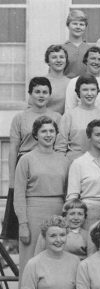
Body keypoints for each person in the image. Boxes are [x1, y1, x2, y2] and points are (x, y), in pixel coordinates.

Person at [5, 77, 62, 241]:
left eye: (45, 92)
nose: (41, 95)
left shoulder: (57, 117)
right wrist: (12, 182)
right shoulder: (20, 118)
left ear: (50, 95)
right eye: (37, 92)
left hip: (49, 163)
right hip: (25, 163)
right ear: (30, 94)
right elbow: (13, 149)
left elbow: (59, 146)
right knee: (23, 226)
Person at [14, 116, 70, 273]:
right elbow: (18, 194)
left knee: (56, 257)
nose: (48, 134)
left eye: (52, 131)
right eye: (44, 131)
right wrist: (23, 224)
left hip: (58, 212)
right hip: (33, 214)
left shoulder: (64, 160)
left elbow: (68, 192)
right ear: (36, 135)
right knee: (31, 259)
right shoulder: (26, 159)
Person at [66, 119, 100, 229]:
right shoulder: (79, 163)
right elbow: (72, 197)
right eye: (98, 135)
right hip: (88, 214)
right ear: (89, 137)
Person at [56, 74, 100, 161]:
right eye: (85, 90)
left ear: (97, 92)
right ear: (78, 92)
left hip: (98, 165)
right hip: (73, 163)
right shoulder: (69, 116)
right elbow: (60, 148)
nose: (89, 94)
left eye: (93, 90)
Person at [64, 46, 100, 113]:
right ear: (86, 60)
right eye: (93, 58)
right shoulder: (74, 82)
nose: (96, 62)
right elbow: (69, 109)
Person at [63, 9, 91, 79]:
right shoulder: (61, 49)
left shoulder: (90, 49)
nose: (78, 27)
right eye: (74, 24)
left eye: (81, 24)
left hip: (86, 86)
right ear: (68, 25)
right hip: (66, 86)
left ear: (85, 27)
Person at [44, 45, 70, 115]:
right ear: (48, 61)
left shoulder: (71, 83)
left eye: (61, 57)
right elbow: (31, 109)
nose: (58, 60)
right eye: (54, 57)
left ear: (66, 61)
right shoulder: (41, 82)